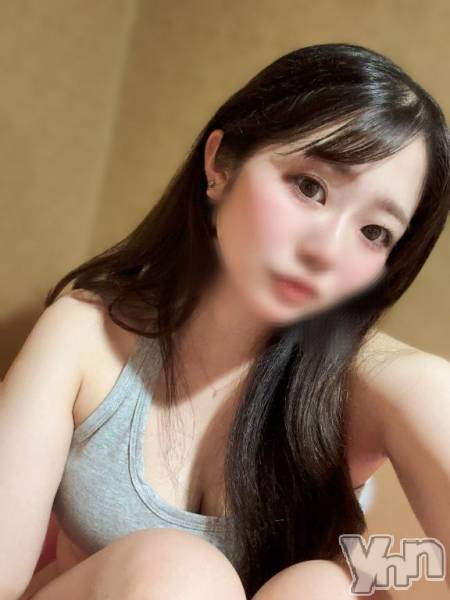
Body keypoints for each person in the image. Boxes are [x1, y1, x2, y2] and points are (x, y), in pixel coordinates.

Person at [2, 42, 449, 600]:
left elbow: (422, 558)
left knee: (320, 588)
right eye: (310, 187)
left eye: (374, 232)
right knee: (176, 572)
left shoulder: (378, 385)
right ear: (220, 164)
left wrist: (361, 572)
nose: (327, 251)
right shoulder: (86, 336)